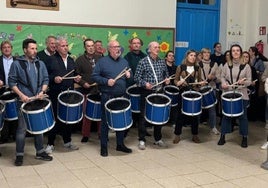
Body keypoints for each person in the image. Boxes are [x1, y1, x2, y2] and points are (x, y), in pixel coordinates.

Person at [8, 38, 53, 166]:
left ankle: (40, 152)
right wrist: (21, 95)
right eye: (32, 48)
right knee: (22, 129)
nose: (34, 51)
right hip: (23, 102)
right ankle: (19, 155)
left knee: (39, 128)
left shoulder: (40, 63)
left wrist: (42, 92)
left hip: (37, 100)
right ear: (25, 50)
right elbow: (11, 82)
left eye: (35, 48)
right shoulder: (17, 64)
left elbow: (45, 79)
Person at [91, 40, 132, 157]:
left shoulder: (124, 61)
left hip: (121, 96)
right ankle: (104, 147)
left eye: (118, 46)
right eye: (115, 47)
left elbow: (130, 78)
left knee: (120, 121)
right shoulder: (102, 62)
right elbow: (94, 76)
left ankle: (120, 145)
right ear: (109, 49)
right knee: (105, 122)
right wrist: (106, 81)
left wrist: (129, 76)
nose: (117, 49)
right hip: (107, 96)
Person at [44, 37, 81, 154]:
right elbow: (45, 76)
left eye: (66, 45)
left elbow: (75, 74)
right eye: (63, 46)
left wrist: (77, 78)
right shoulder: (51, 59)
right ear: (57, 47)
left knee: (67, 118)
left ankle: (67, 141)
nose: (65, 48)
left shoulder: (71, 60)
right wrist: (54, 78)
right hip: (55, 93)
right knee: (54, 119)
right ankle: (50, 143)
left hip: (69, 94)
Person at [134, 41, 170, 150]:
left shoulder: (162, 62)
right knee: (143, 116)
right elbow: (136, 78)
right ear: (149, 49)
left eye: (159, 47)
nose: (158, 49)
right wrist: (145, 84)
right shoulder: (143, 62)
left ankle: (158, 139)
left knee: (158, 116)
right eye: (155, 47)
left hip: (159, 92)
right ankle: (142, 140)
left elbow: (166, 75)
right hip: (147, 92)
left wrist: (167, 80)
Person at [218, 44, 252, 148]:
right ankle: (222, 136)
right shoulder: (226, 65)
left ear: (241, 52)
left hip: (242, 95)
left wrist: (243, 83)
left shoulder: (246, 66)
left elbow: (250, 81)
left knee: (243, 117)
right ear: (231, 53)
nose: (236, 52)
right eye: (233, 51)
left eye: (238, 50)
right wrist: (223, 83)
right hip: (228, 93)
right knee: (226, 116)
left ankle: (244, 137)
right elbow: (222, 77)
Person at [173, 50, 206, 144]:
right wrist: (178, 83)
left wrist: (201, 83)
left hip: (194, 93)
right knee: (180, 115)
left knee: (195, 115)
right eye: (191, 55)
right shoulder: (181, 67)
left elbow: (199, 81)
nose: (193, 57)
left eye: (195, 55)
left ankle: (195, 135)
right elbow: (175, 80)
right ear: (187, 56)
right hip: (183, 93)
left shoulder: (197, 68)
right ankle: (177, 135)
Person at [75, 38, 102, 142]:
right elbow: (76, 75)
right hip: (86, 91)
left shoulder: (100, 58)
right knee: (87, 114)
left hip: (99, 90)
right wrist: (83, 83)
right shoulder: (79, 60)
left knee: (100, 113)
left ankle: (101, 133)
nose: (91, 48)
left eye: (92, 46)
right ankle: (85, 135)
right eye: (88, 46)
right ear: (85, 47)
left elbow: (104, 72)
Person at [124, 37, 147, 130]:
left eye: (138, 43)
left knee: (142, 109)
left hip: (142, 86)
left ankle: (142, 129)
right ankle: (129, 127)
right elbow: (126, 70)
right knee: (131, 107)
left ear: (141, 45)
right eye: (134, 43)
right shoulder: (127, 57)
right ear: (131, 45)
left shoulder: (145, 56)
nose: (136, 45)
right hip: (131, 86)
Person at [198, 48, 220, 135]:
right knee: (198, 108)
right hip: (200, 89)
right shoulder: (197, 64)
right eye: (205, 53)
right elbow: (194, 77)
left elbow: (219, 79)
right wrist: (199, 82)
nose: (207, 54)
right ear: (202, 54)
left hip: (211, 89)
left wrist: (213, 77)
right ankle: (197, 126)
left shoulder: (215, 64)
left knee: (212, 109)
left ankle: (213, 127)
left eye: (208, 53)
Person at [0, 40, 18, 144]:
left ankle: (15, 135)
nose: (7, 49)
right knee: (3, 114)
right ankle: (4, 137)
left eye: (8, 47)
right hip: (2, 90)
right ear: (1, 49)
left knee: (15, 113)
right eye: (4, 47)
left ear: (11, 48)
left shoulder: (17, 60)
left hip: (15, 90)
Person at [249, 46, 266, 122]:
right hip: (249, 80)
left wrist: (257, 72)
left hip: (256, 80)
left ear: (253, 52)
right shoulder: (249, 60)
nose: (249, 52)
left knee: (254, 98)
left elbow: (262, 71)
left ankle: (254, 116)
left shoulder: (259, 61)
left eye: (250, 51)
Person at [164, 50, 177, 125]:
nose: (171, 57)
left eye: (173, 56)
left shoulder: (176, 67)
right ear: (166, 57)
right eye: (169, 55)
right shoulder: (163, 67)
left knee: (174, 106)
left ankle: (173, 121)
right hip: (165, 89)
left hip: (173, 89)